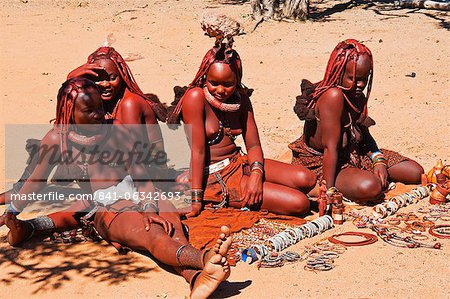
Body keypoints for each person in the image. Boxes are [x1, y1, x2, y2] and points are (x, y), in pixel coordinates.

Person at [4, 77, 231, 298]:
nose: (99, 114)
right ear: (69, 112)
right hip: (107, 208)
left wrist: (149, 208)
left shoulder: (117, 129)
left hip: (143, 193)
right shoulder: (57, 140)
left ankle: (197, 277)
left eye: (100, 107)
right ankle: (204, 259)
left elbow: (142, 178)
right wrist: (11, 211)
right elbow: (35, 182)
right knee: (153, 235)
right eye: (89, 110)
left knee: (173, 230)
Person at [0, 46, 169, 227]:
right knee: (55, 142)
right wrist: (72, 76)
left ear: (123, 76)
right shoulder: (99, 103)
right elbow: (70, 102)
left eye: (112, 78)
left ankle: (33, 223)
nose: (105, 84)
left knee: (79, 206)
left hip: (144, 176)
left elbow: (134, 164)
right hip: (115, 177)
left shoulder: (128, 105)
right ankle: (19, 197)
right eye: (98, 80)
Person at [167, 30, 316, 218]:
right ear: (204, 77)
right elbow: (198, 152)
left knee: (306, 177)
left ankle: (327, 196)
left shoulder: (241, 99)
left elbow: (253, 144)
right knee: (299, 203)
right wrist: (195, 201)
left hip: (239, 162)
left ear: (237, 80)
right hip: (214, 176)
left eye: (228, 84)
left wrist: (255, 175)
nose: (220, 90)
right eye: (213, 83)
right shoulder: (195, 98)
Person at [289, 39, 424, 204]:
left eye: (364, 79)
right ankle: (345, 181)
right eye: (352, 78)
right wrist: (329, 192)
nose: (360, 85)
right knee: (371, 187)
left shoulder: (355, 94)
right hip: (323, 164)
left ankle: (361, 173)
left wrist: (378, 159)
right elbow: (330, 148)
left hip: (353, 154)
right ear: (339, 74)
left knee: (416, 172)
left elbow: (364, 134)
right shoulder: (333, 96)